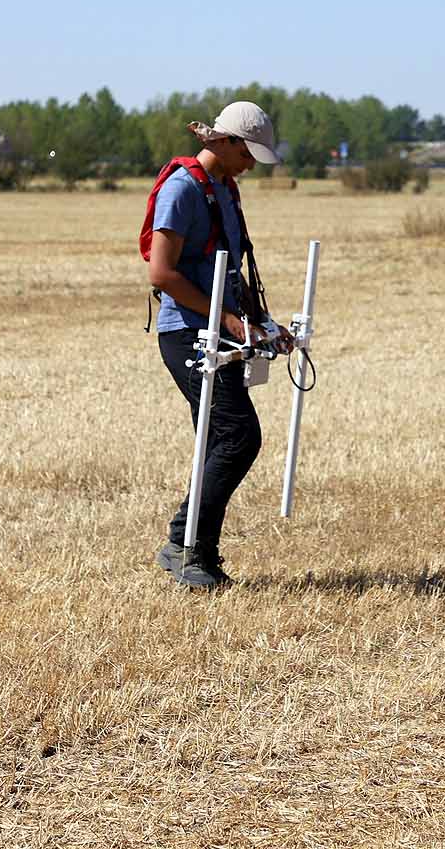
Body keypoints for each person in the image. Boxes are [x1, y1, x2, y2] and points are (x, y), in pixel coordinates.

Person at [145, 101, 287, 590]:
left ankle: (191, 550)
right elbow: (162, 273)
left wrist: (262, 321)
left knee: (217, 442)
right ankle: (188, 547)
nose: (252, 165)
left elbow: (229, 271)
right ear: (225, 143)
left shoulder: (227, 190)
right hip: (185, 333)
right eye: (248, 153)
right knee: (238, 436)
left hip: (217, 329)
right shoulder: (183, 190)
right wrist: (225, 318)